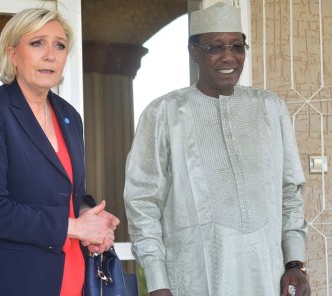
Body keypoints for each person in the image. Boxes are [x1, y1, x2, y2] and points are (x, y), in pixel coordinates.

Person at [123, 2, 310, 296]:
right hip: (195, 280)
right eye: (215, 47)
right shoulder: (164, 113)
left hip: (268, 278)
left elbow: (290, 193)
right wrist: (158, 283)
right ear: (193, 51)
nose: (229, 56)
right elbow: (143, 203)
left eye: (237, 46)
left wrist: (296, 263)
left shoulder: (270, 109)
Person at [0, 7, 120, 296]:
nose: (50, 55)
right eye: (37, 43)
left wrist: (89, 216)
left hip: (70, 276)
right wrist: (76, 228)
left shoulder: (69, 116)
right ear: (13, 54)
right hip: (8, 281)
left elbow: (66, 192)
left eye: (59, 45)